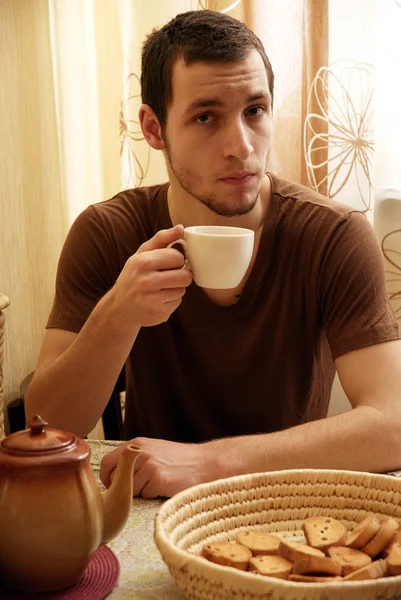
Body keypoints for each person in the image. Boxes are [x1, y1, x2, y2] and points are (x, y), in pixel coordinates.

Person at [25, 10, 401, 499]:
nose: (241, 147)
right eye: (206, 117)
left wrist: (207, 462)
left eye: (255, 110)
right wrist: (116, 316)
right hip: (149, 509)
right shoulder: (107, 233)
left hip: (283, 505)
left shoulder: (333, 236)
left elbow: (393, 423)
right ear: (154, 129)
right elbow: (45, 427)